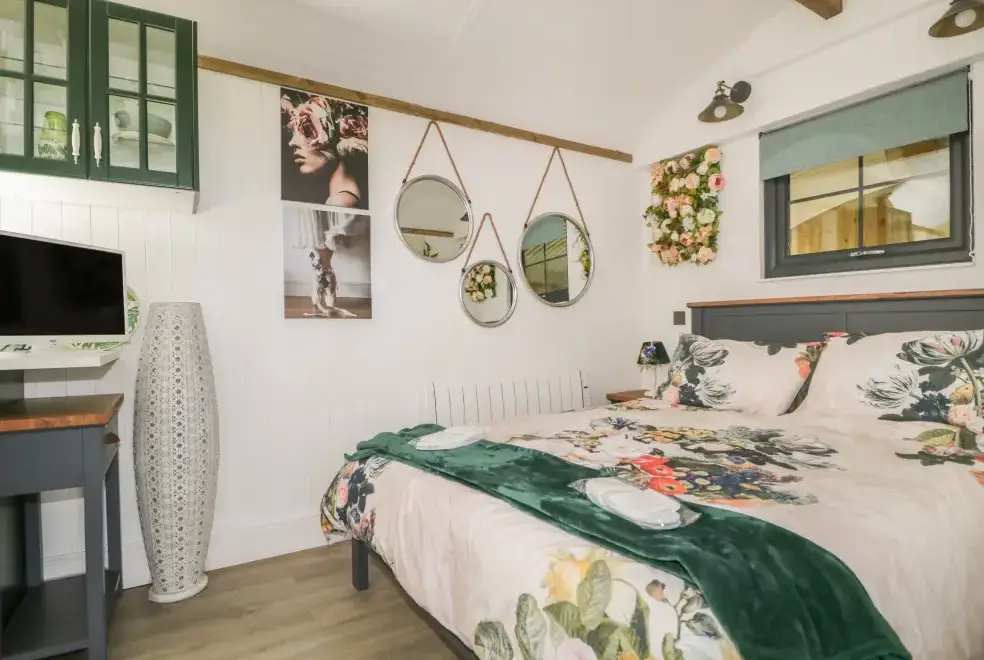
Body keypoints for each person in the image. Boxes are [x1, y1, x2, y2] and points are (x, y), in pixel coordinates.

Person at [281, 92, 369, 210]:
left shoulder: (339, 201)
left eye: (306, 131)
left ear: (336, 135)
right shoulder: (343, 196)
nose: (292, 143)